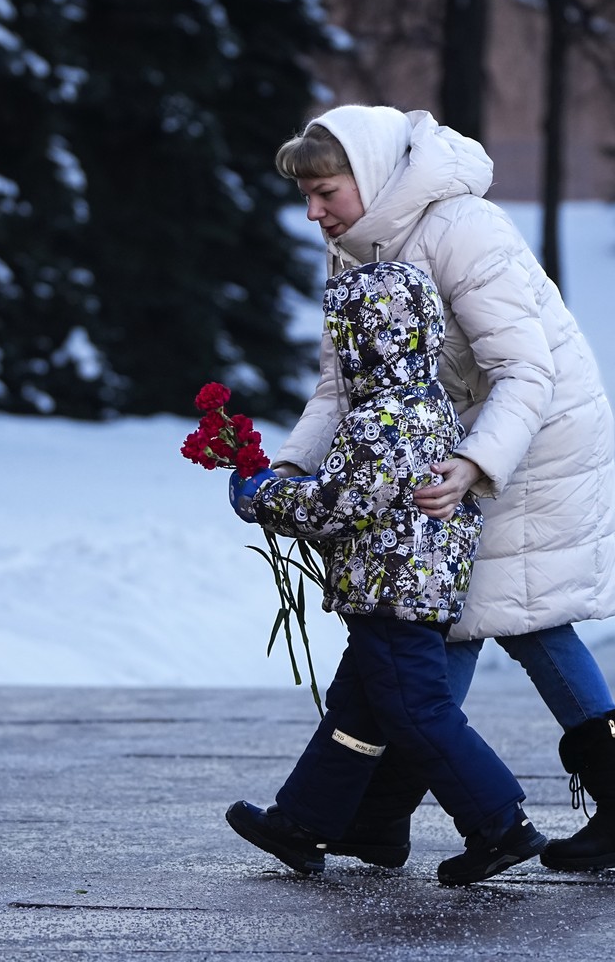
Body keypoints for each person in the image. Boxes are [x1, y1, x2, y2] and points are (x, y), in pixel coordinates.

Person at [266, 104, 615, 873]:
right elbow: (339, 390)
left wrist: (475, 465)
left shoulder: (461, 227)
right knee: (447, 619)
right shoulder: (352, 250)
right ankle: (387, 817)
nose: (314, 212)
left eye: (325, 192)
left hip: (533, 430)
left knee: (509, 616)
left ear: (372, 174)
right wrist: (290, 468)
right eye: (306, 197)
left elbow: (527, 370)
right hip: (449, 440)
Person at [223, 259, 549, 887]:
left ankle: (499, 823)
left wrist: (258, 494)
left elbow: (335, 505)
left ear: (361, 338)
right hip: (409, 589)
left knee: (419, 711)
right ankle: (304, 820)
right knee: (357, 710)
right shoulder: (427, 409)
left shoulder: (380, 421)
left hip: (393, 595)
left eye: (342, 334)